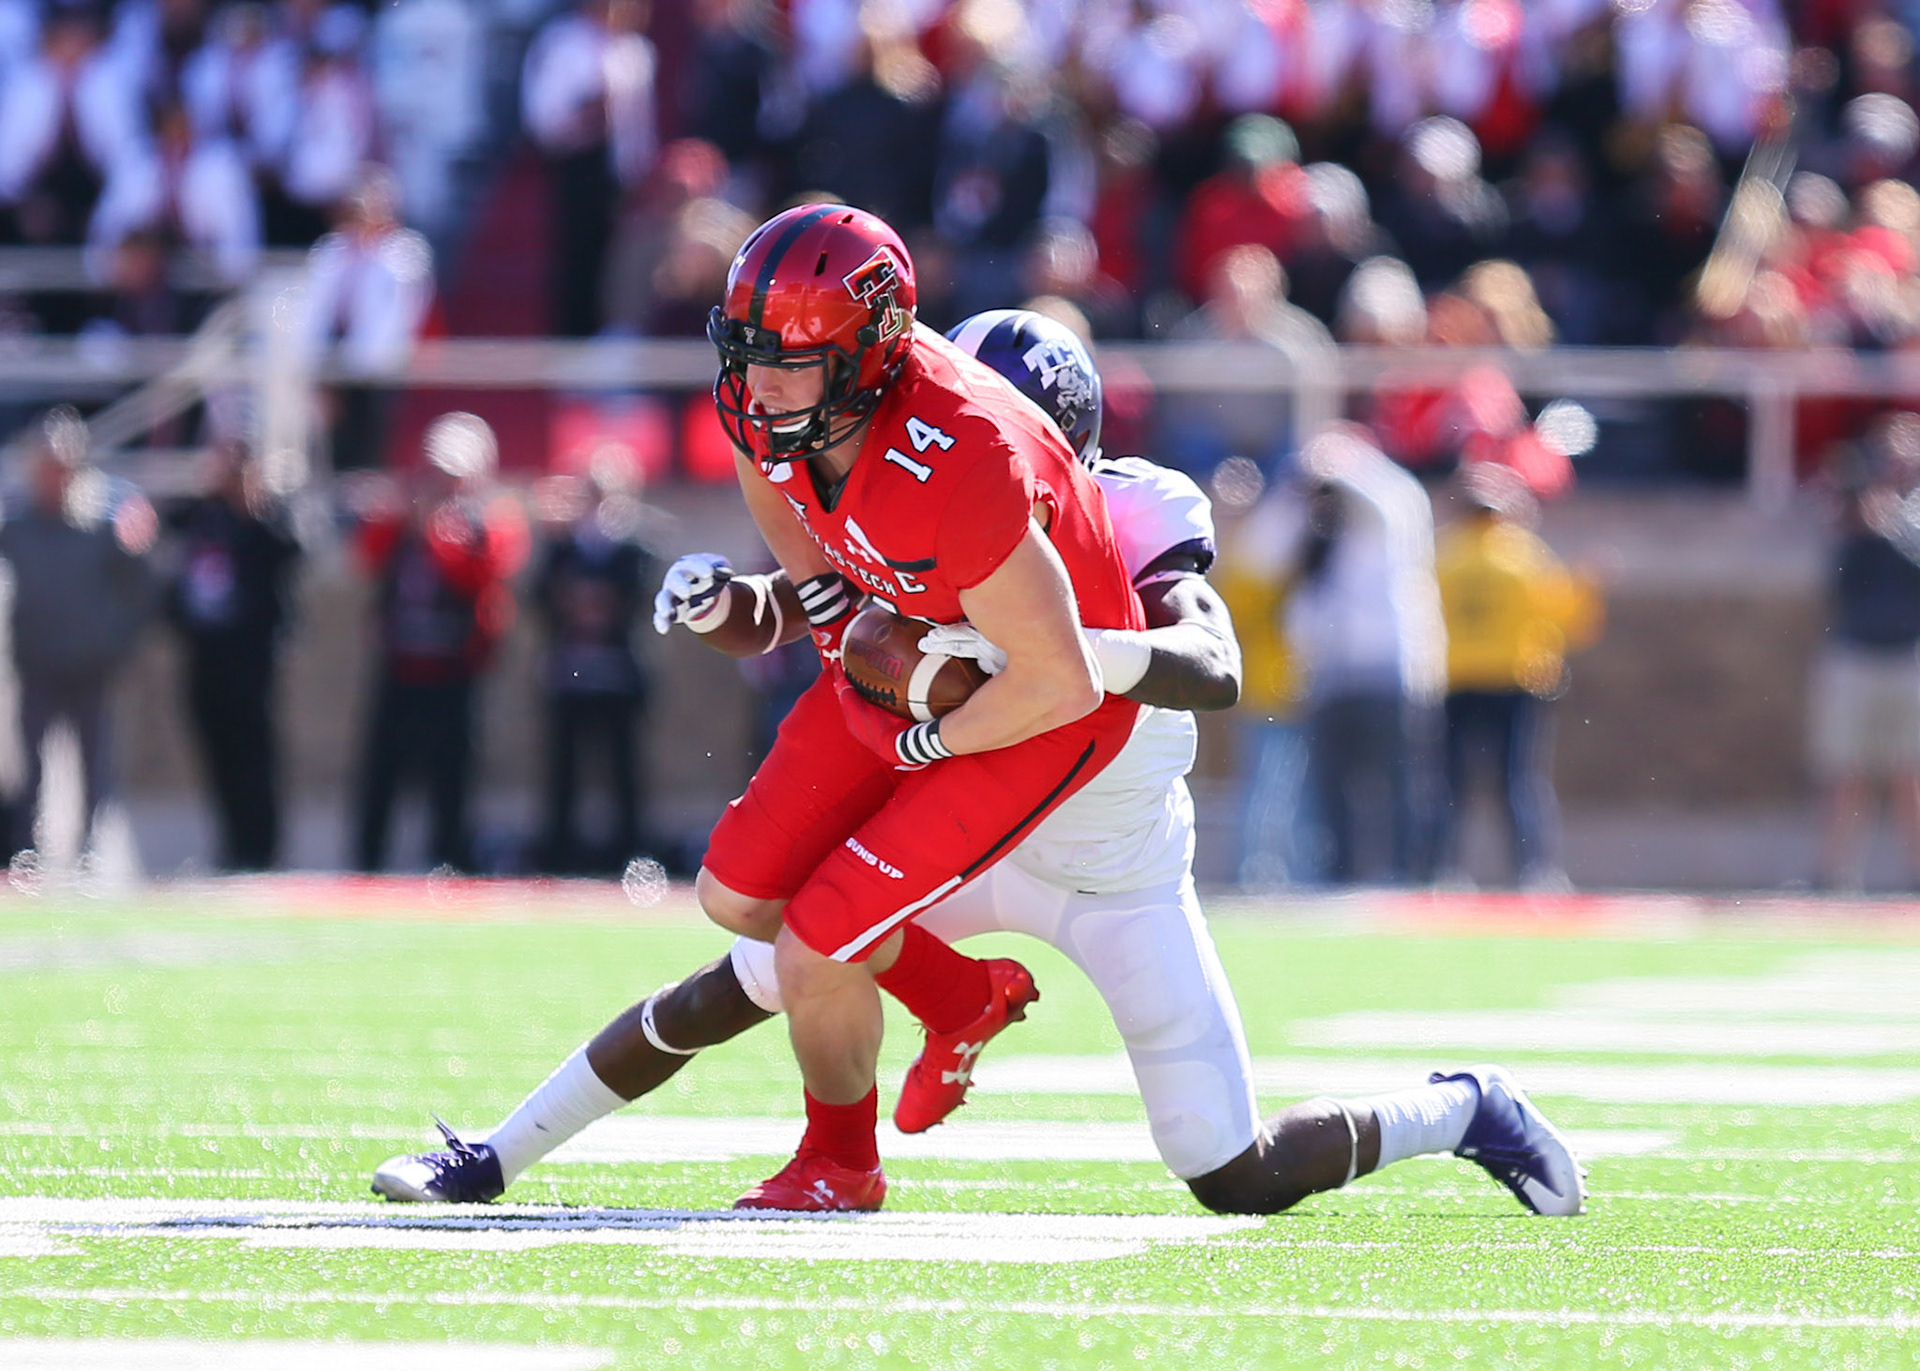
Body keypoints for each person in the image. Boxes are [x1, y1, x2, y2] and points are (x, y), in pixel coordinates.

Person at [372, 309, 1588, 1222]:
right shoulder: (912, 480)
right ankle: (494, 1152)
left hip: (1116, 869)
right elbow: (820, 600)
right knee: (758, 961)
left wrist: (1038, 650)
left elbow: (1209, 665)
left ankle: (1460, 1107)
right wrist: (736, 605)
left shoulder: (1129, 511)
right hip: (968, 818)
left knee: (1231, 1173)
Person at [347, 412, 527, 873]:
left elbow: (484, 574)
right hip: (400, 664)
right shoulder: (401, 516)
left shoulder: (493, 520)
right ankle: (367, 865)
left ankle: (448, 865)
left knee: (452, 777)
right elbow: (364, 557)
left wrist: (437, 533)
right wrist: (400, 518)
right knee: (380, 774)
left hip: (456, 668)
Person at [1433, 462, 1602, 891]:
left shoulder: (1445, 556)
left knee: (1451, 785)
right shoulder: (1522, 555)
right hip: (1515, 682)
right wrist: (1588, 584)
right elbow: (1569, 621)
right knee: (1520, 783)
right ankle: (1535, 873)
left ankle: (1445, 871)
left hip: (1457, 681)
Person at [0, 408, 159, 862]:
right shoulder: (16, 526)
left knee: (96, 766)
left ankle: (90, 851)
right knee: (31, 767)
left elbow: (141, 584)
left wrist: (117, 640)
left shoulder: (103, 527)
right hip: (37, 662)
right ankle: (25, 852)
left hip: (91, 665)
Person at [163, 442, 303, 871]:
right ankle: (230, 844)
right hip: (207, 653)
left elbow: (293, 549)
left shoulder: (266, 522)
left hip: (250, 657)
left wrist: (253, 502)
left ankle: (261, 847)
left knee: (253, 754)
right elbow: (166, 528)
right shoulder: (204, 516)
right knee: (215, 752)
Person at [531, 453, 656, 875]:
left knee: (624, 769)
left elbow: (638, 601)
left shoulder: (636, 549)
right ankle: (558, 855)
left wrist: (596, 603)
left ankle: (630, 855)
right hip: (571, 673)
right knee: (563, 768)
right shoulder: (561, 547)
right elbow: (541, 598)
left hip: (618, 674)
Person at [1810, 436, 1920, 891]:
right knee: (1846, 770)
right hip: (1854, 656)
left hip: (1907, 657)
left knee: (1908, 772)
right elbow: (1838, 582)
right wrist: (1855, 517)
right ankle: (1834, 873)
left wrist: (1891, 525)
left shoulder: (1912, 516)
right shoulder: (1850, 515)